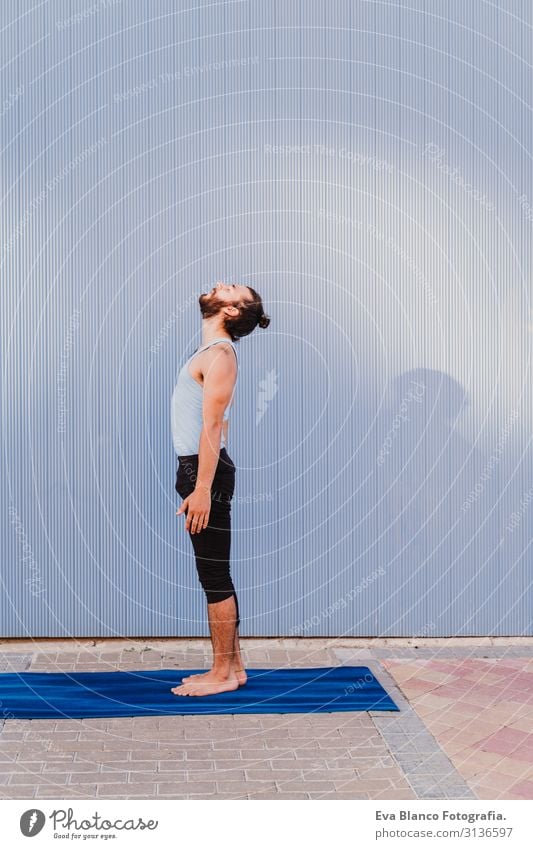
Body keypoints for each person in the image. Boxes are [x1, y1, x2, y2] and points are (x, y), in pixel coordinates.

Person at [170, 282, 270, 696]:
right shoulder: (210, 354)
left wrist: (202, 489)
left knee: (213, 573)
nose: (220, 283)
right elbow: (218, 421)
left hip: (204, 473)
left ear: (230, 310)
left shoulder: (221, 356)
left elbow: (212, 427)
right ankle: (235, 666)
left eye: (231, 288)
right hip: (199, 468)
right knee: (214, 571)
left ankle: (222, 674)